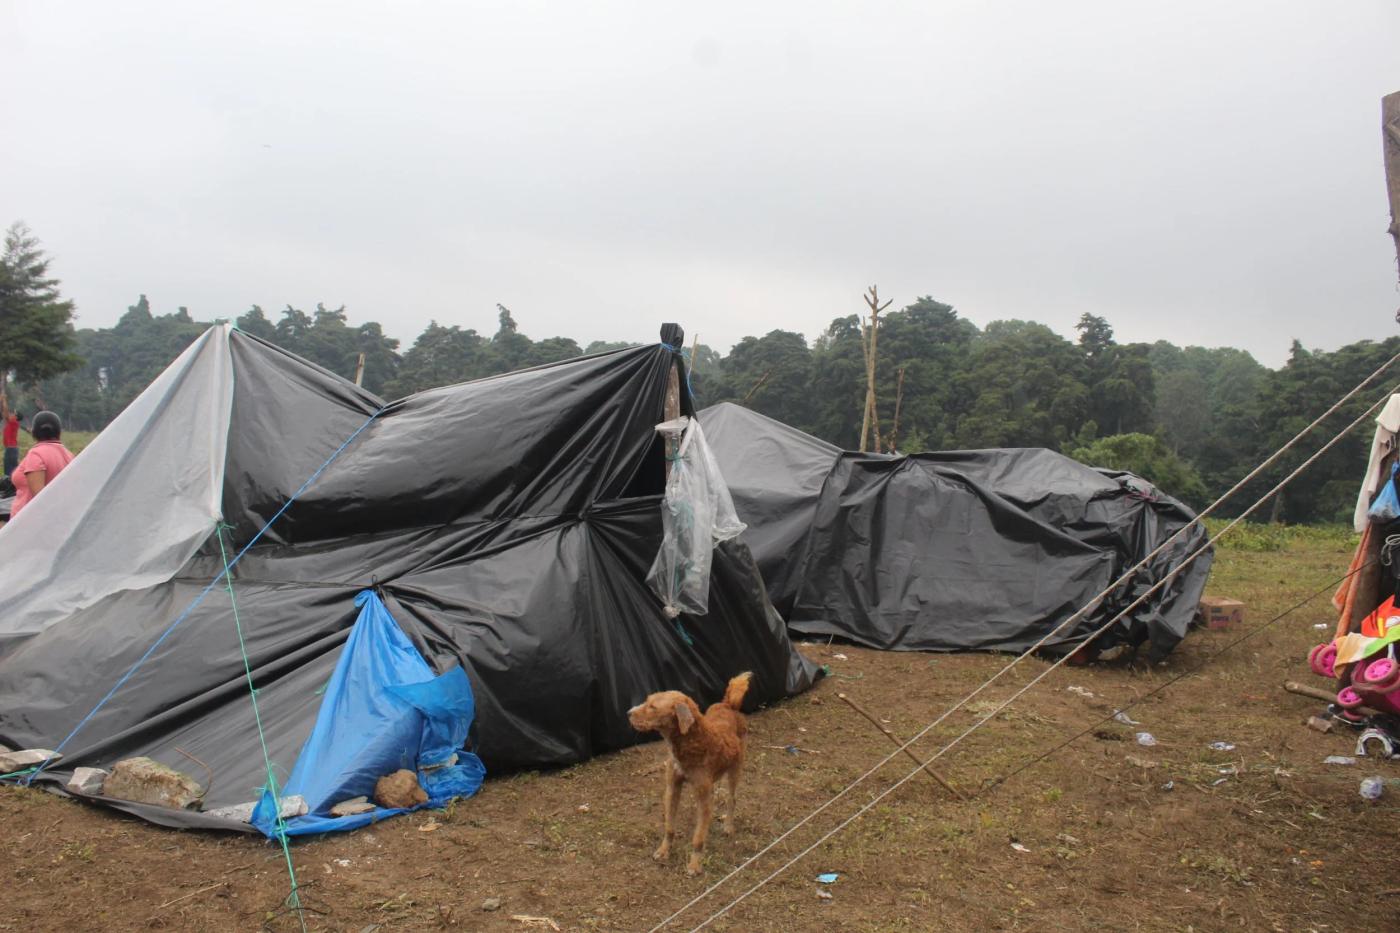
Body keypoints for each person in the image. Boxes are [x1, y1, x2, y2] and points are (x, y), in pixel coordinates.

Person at [9, 410, 75, 519]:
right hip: (56, 520)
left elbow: (39, 499)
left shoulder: (36, 454)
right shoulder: (69, 455)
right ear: (59, 432)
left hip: (28, 523)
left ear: (34, 432)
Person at [1, 394, 21, 478]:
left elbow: (5, 413)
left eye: (14, 413)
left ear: (16, 417)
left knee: (9, 474)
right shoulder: (12, 423)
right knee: (12, 471)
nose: (12, 414)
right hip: (11, 449)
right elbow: (4, 414)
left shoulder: (14, 422)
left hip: (11, 450)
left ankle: (10, 488)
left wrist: (4, 400)